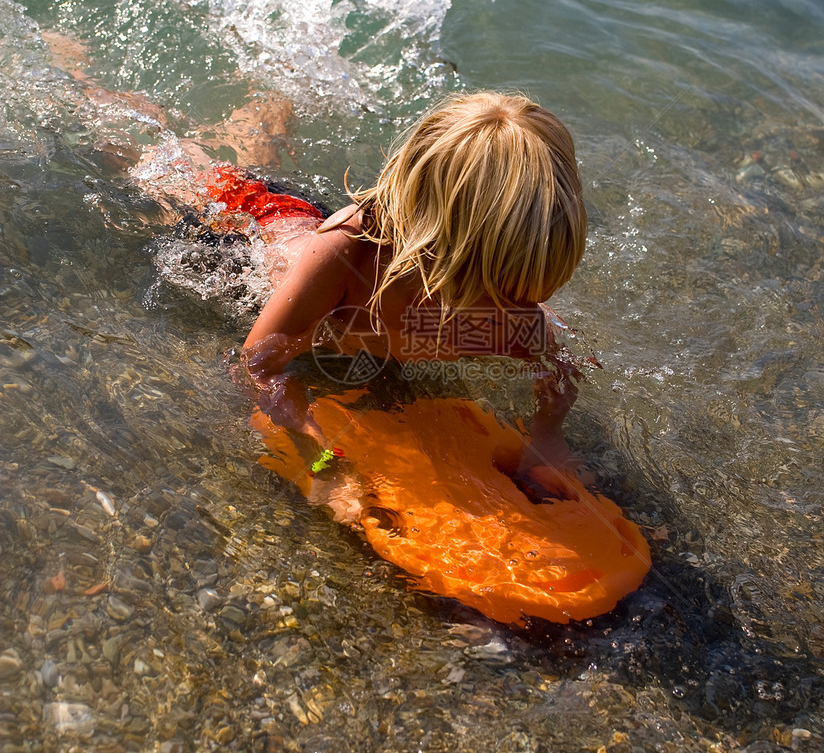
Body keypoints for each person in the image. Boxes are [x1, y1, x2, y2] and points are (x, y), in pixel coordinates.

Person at [238, 90, 589, 507]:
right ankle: (265, 106)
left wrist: (546, 437)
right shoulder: (344, 255)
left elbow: (559, 368)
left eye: (525, 294)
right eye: (498, 291)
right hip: (247, 226)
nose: (517, 312)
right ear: (438, 251)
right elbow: (257, 368)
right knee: (190, 174)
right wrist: (320, 460)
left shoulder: (510, 309)